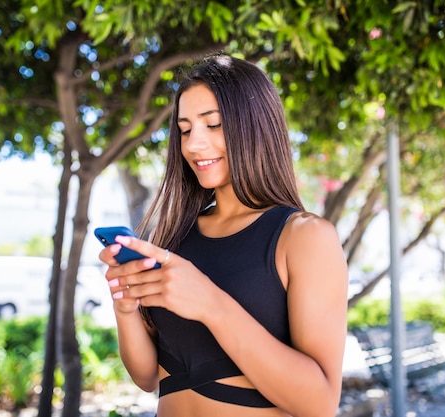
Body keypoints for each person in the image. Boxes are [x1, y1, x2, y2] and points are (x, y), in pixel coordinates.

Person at [99, 54, 348, 417]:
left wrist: (210, 303)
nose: (193, 145)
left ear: (256, 127)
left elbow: (320, 404)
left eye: (212, 125)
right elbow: (149, 375)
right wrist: (126, 305)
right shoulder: (175, 236)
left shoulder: (305, 238)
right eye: (185, 130)